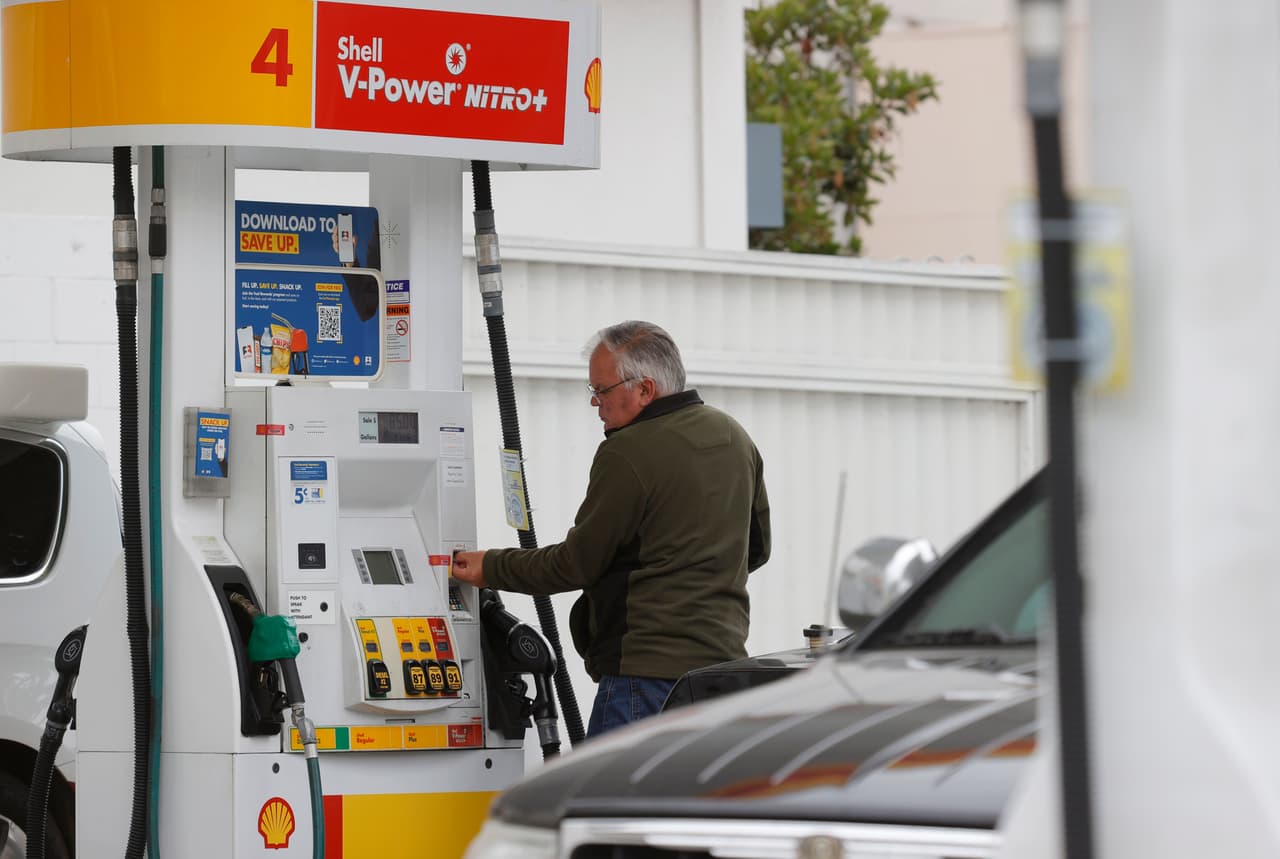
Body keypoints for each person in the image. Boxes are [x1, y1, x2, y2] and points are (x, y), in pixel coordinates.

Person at [452, 320, 770, 738]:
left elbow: (574, 564)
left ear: (645, 390)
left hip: (644, 680)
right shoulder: (734, 436)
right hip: (722, 677)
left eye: (601, 390)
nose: (594, 402)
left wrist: (490, 567)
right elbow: (757, 549)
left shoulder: (629, 451)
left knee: (613, 785)